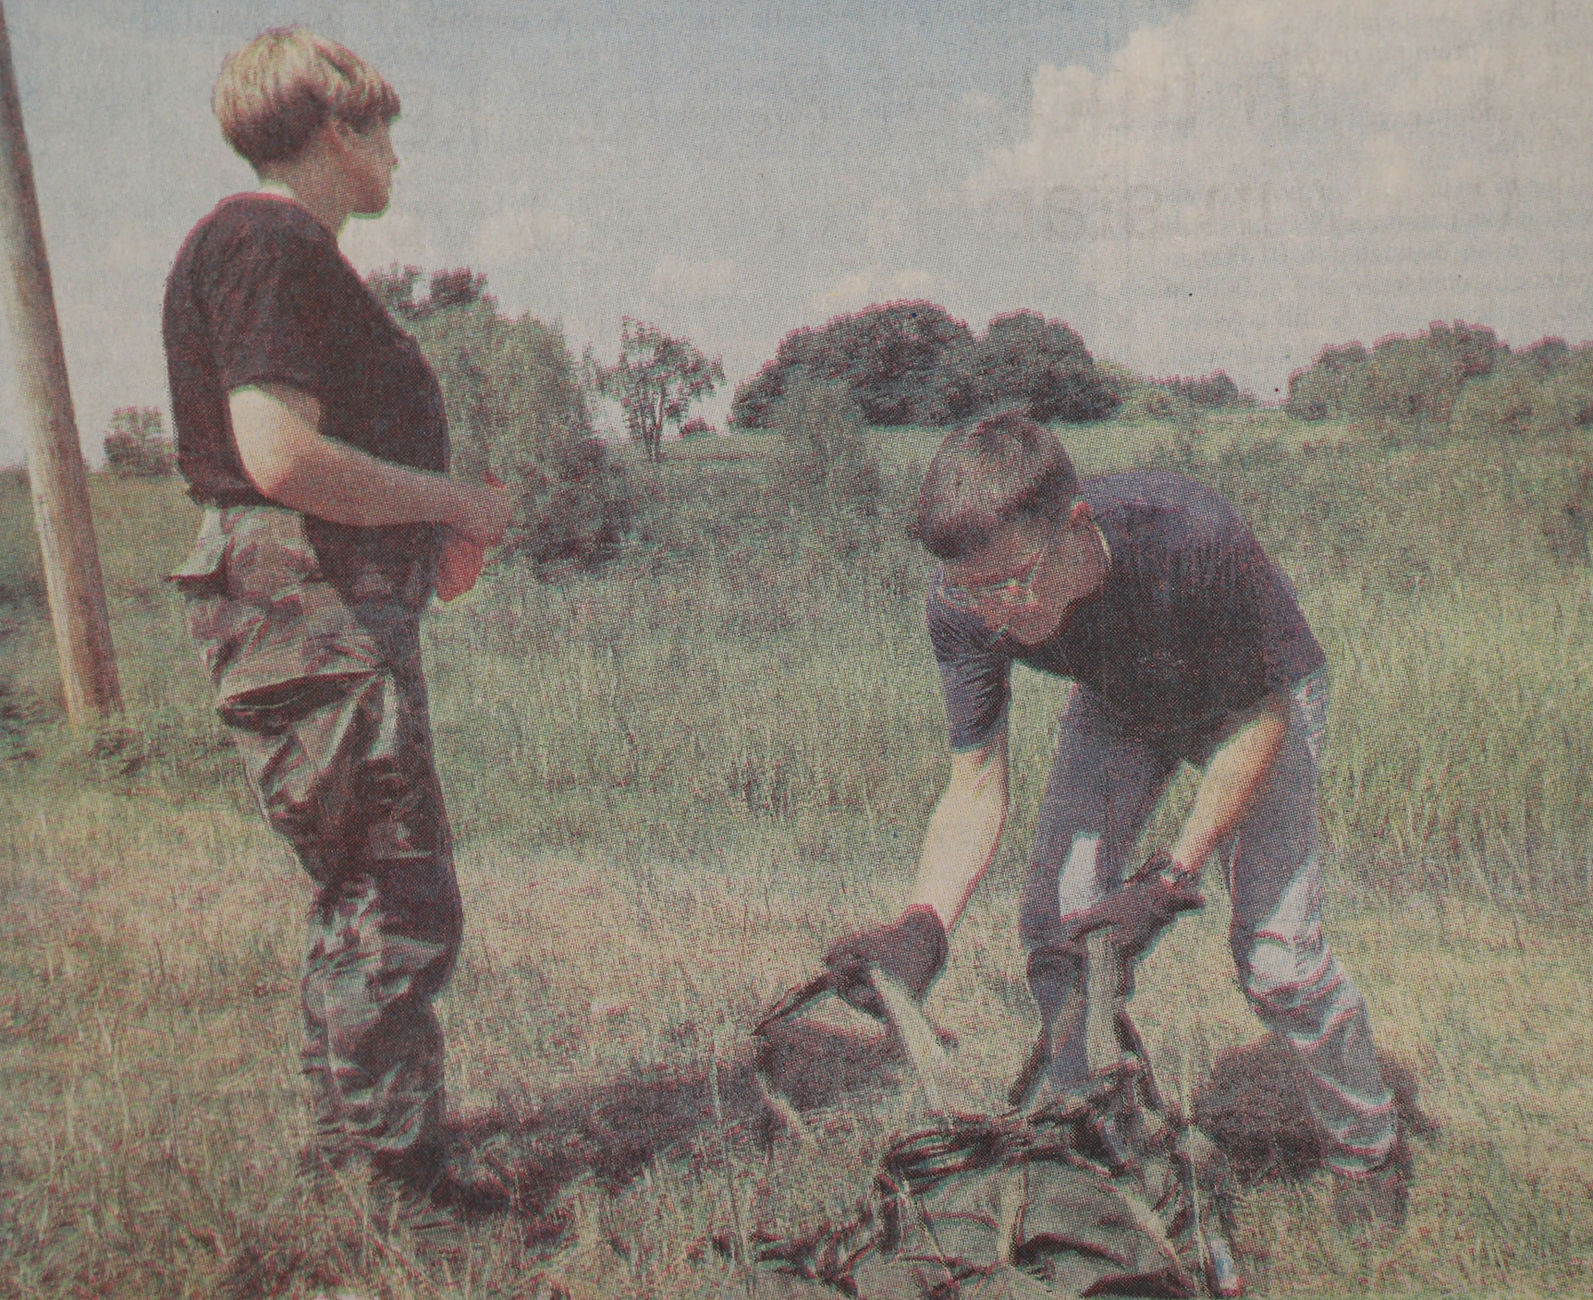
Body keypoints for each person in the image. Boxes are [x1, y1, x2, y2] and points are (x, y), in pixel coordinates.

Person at [822, 411, 1406, 1235]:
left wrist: (1171, 877)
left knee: (1278, 961)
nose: (992, 613)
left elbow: (1259, 721)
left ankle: (1367, 1148)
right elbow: (974, 785)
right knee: (1056, 931)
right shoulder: (965, 604)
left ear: (1076, 528)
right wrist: (924, 924)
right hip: (1121, 699)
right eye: (970, 589)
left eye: (1012, 582)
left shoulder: (1190, 539)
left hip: (1256, 703)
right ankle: (1088, 1133)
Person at [162, 28, 511, 1226]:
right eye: (383, 133)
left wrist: (419, 536)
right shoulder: (268, 243)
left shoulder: (270, 251)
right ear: (332, 132)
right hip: (308, 603)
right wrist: (452, 501)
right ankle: (406, 1185)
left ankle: (354, 1154)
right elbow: (278, 453)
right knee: (399, 892)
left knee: (360, 884)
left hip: (315, 602)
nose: (396, 158)